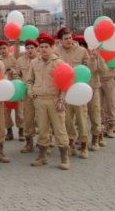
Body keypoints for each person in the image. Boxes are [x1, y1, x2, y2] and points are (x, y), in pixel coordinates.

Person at [25, 34, 71, 170]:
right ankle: (42, 156)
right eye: (41, 47)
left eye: (46, 47)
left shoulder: (59, 63)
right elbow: (29, 80)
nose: (43, 49)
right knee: (42, 129)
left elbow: (65, 83)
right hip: (39, 100)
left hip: (54, 99)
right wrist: (31, 92)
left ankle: (64, 158)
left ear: (52, 48)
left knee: (59, 129)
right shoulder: (34, 63)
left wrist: (62, 99)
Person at [56, 27, 90, 159]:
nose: (69, 41)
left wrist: (92, 60)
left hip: (79, 89)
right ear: (60, 41)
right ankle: (70, 143)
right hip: (64, 90)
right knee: (67, 119)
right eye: (66, 39)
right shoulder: (56, 52)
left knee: (81, 118)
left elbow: (87, 68)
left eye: (70, 38)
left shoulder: (81, 51)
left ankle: (83, 145)